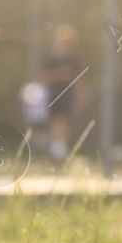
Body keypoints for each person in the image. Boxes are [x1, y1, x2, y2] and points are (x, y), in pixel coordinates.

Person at [40, 25, 85, 166]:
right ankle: (56, 152)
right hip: (52, 94)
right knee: (54, 123)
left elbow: (79, 79)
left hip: (67, 95)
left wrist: (79, 97)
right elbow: (45, 77)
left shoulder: (72, 59)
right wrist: (61, 74)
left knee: (63, 122)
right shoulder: (50, 58)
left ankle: (61, 152)